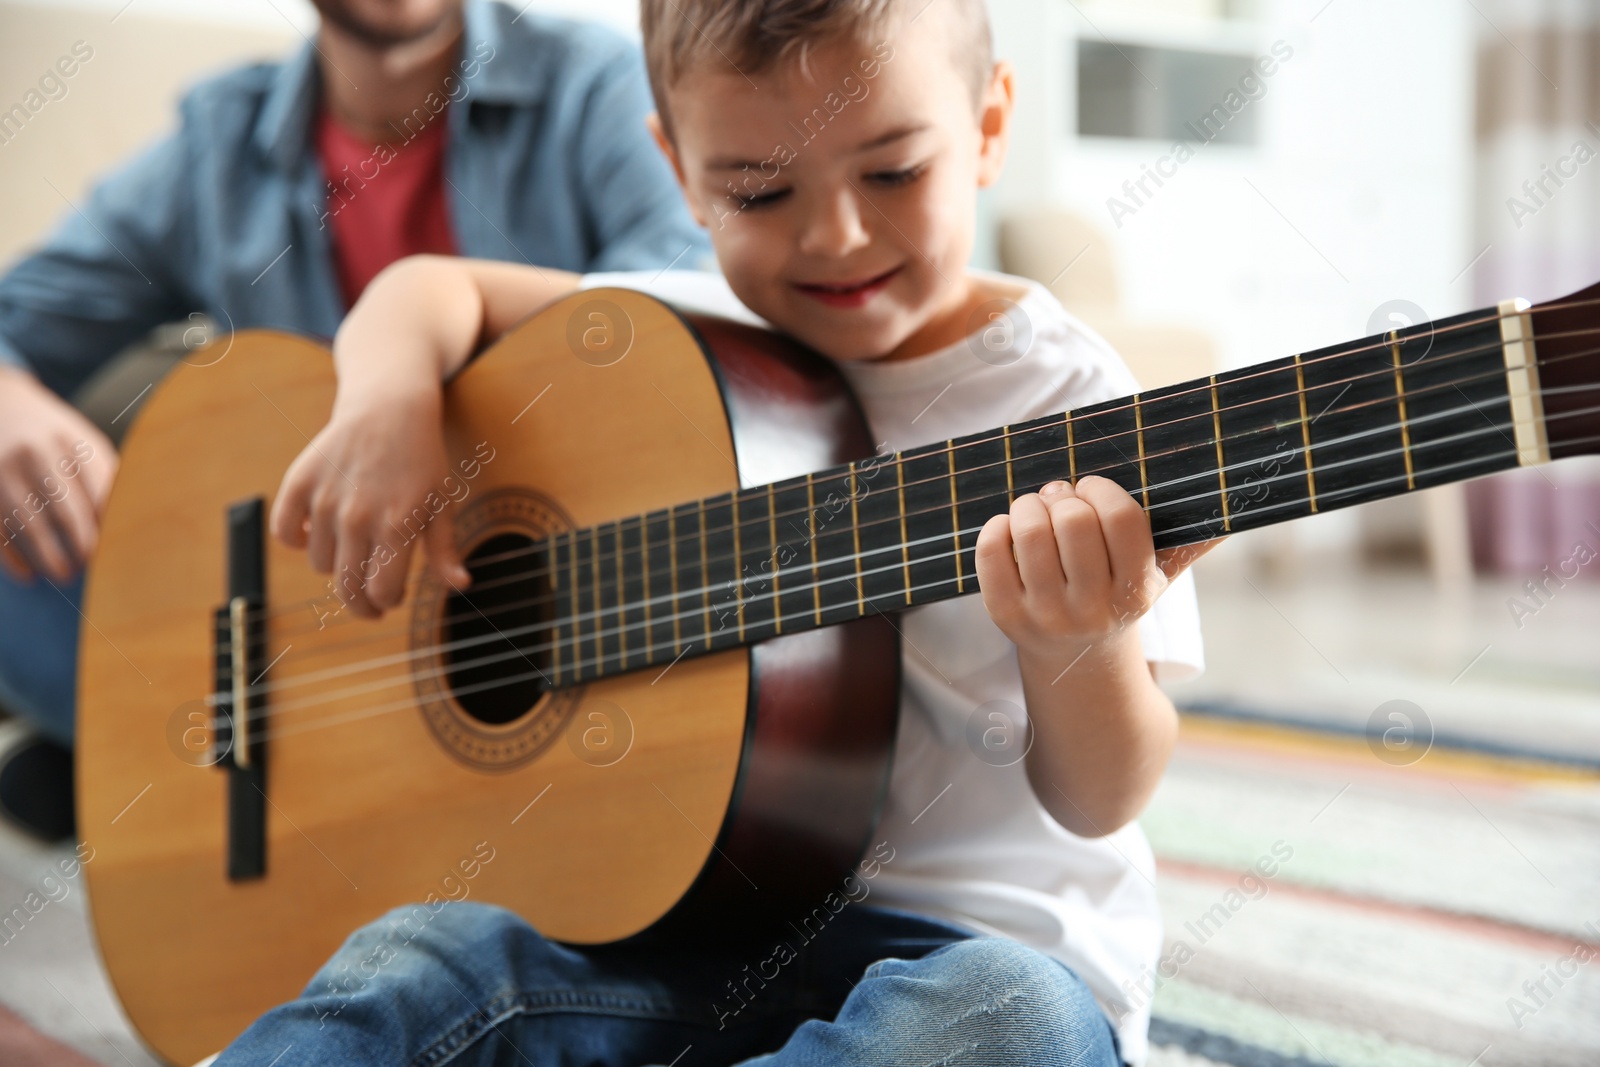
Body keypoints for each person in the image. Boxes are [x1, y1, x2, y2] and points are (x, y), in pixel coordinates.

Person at [218, 0, 1213, 1063]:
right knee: (421, 955)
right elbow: (428, 288)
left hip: (974, 944)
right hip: (677, 939)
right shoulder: (673, 335)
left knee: (1006, 1020)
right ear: (679, 169)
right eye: (760, 189)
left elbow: (1104, 794)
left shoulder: (1069, 396)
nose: (834, 234)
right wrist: (385, 399)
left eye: (891, 173)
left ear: (987, 124)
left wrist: (1080, 645)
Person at [0, 0, 709, 841]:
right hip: (326, 636)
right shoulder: (218, 141)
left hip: (581, 616)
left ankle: (129, 770)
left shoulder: (597, 84)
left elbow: (697, 320)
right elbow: (20, 315)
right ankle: (158, 765)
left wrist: (407, 378)